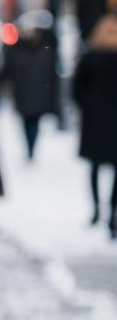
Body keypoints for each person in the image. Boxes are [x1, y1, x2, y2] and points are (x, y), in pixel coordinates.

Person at [72, 12, 117, 237]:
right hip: (112, 122)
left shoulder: (90, 57)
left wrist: (88, 106)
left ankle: (97, 209)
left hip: (95, 120)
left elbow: (77, 90)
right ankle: (112, 214)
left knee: (95, 167)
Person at [1, 24, 57, 160]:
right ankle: (29, 148)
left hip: (39, 94)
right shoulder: (16, 49)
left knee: (34, 123)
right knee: (26, 123)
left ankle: (31, 149)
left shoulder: (47, 47)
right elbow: (7, 70)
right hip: (23, 93)